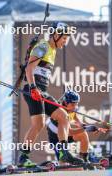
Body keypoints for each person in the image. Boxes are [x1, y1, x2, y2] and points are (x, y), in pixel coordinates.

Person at [18, 22, 83, 167]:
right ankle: (23, 158)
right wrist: (34, 88)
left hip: (42, 91)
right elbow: (29, 69)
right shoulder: (43, 46)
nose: (65, 41)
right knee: (38, 124)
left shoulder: (53, 50)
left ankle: (63, 153)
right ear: (55, 35)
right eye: (64, 38)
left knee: (63, 116)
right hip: (32, 89)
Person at [46, 90, 108, 162]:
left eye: (76, 104)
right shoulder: (61, 112)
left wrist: (84, 125)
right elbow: (70, 132)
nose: (75, 107)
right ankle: (62, 162)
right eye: (73, 105)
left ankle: (84, 158)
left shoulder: (71, 109)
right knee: (64, 164)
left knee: (83, 134)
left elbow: (76, 120)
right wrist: (86, 129)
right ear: (66, 103)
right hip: (56, 139)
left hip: (65, 137)